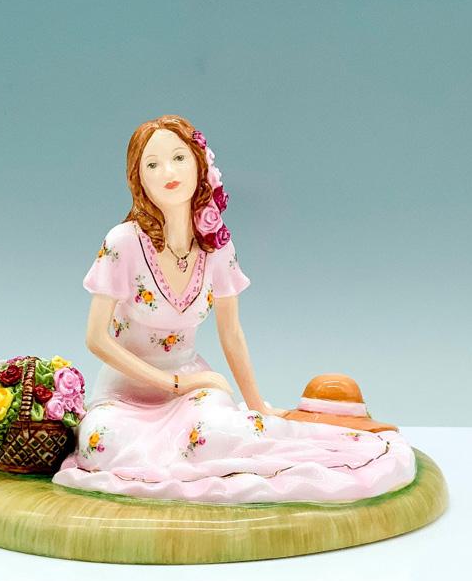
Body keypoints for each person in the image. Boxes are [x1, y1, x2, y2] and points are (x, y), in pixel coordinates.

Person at [51, 114, 416, 504]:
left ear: (199, 164)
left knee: (217, 437)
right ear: (138, 179)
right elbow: (96, 338)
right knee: (101, 444)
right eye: (152, 164)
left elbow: (231, 333)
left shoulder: (216, 247)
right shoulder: (123, 242)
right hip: (126, 394)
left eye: (178, 158)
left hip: (193, 387)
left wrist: (256, 405)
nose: (168, 172)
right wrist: (174, 383)